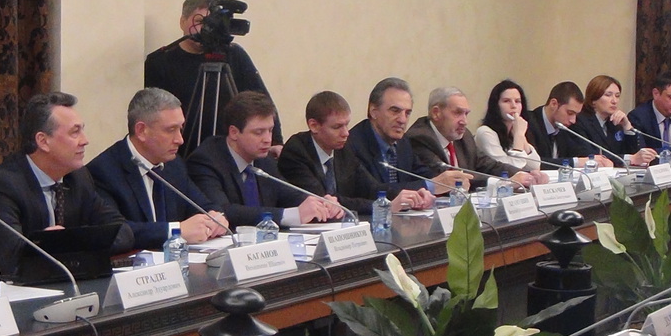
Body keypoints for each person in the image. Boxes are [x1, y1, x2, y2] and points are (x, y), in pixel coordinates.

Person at [0, 93, 133, 276]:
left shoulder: (78, 179)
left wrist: (67, 242)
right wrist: (59, 244)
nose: (85, 140)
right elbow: (10, 259)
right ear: (43, 141)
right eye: (75, 132)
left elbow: (122, 231)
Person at [144, 0, 283, 157]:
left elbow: (261, 100)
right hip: (181, 150)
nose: (206, 29)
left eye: (211, 23)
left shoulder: (233, 54)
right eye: (200, 21)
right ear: (182, 21)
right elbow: (151, 113)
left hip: (230, 149)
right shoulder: (160, 61)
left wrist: (275, 141)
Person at [88, 88, 228, 249]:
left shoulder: (173, 164)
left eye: (180, 128)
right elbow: (116, 232)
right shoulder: (103, 171)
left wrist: (216, 217)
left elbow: (203, 204)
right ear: (141, 131)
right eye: (171, 130)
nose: (180, 140)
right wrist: (176, 231)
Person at [188, 92, 344, 228]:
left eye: (270, 130)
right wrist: (289, 215)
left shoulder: (264, 160)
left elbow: (288, 194)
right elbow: (222, 211)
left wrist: (319, 203)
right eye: (258, 132)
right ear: (234, 132)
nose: (268, 139)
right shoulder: (206, 161)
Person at [278, 91, 434, 214]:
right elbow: (325, 201)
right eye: (337, 127)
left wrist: (410, 195)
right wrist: (384, 207)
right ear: (314, 126)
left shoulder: (343, 148)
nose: (346, 133)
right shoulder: (297, 151)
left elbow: (371, 188)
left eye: (347, 125)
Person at [347, 78, 473, 194]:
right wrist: (432, 185)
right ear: (374, 112)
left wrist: (450, 182)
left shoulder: (403, 142)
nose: (402, 120)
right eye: (395, 111)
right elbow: (372, 191)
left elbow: (423, 174)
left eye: (407, 113)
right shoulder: (353, 144)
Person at [406, 87, 549, 188]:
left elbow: (489, 165)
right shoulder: (420, 137)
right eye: (457, 113)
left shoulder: (464, 136)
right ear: (436, 113)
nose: (464, 121)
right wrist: (505, 183)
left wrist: (526, 175)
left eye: (466, 114)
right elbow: (450, 178)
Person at [573, 75, 657, 166]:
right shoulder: (580, 121)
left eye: (617, 96)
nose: (614, 101)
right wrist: (630, 159)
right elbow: (592, 155)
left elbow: (636, 154)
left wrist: (627, 127)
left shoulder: (615, 122)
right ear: (593, 100)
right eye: (608, 95)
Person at [474, 80, 542, 171]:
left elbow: (534, 166)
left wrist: (521, 137)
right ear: (496, 105)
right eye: (506, 101)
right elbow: (509, 170)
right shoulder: (485, 132)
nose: (513, 106)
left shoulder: (516, 130)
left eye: (517, 101)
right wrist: (518, 136)